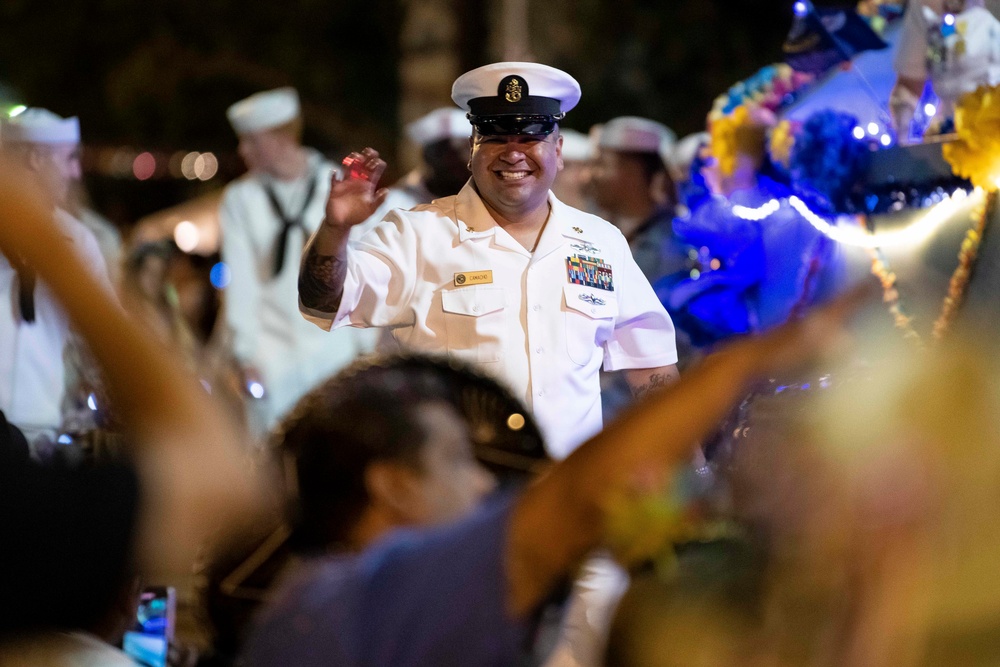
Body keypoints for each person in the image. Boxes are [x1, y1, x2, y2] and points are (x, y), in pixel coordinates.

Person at [298, 62, 680, 459]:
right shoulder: (417, 234)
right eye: (496, 135)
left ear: (559, 150)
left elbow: (651, 366)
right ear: (473, 149)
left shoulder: (601, 242)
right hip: (463, 498)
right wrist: (335, 229)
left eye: (530, 135)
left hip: (569, 499)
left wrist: (692, 472)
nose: (513, 153)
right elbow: (323, 299)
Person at [220, 86, 377, 433]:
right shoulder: (241, 199)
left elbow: (366, 264)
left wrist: (368, 344)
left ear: (276, 139)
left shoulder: (335, 185)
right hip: (272, 354)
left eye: (250, 140)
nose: (242, 150)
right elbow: (241, 280)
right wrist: (244, 354)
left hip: (336, 349)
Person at [0, 108, 109, 452]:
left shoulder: (77, 240)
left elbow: (100, 330)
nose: (75, 172)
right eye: (68, 159)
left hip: (41, 432)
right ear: (36, 158)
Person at [589, 116, 689, 287]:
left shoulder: (675, 247)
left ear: (632, 175)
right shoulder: (593, 232)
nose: (591, 175)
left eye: (602, 165)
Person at [354, 107, 472, 240]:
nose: (458, 160)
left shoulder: (489, 203)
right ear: (428, 156)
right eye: (446, 152)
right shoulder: (393, 205)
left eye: (465, 149)